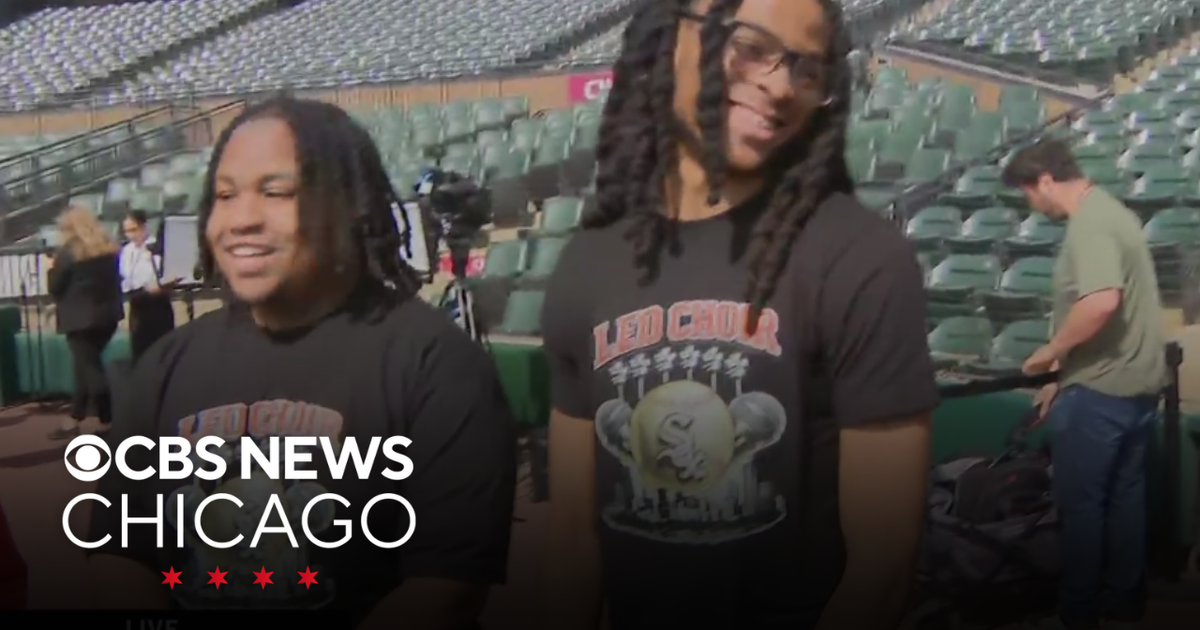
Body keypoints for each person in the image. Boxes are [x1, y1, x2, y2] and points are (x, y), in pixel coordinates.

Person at [541, 1, 939, 629]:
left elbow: (882, 565)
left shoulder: (861, 259)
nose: (780, 86)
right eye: (750, 46)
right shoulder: (586, 262)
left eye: (808, 69)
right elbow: (571, 538)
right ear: (667, 36)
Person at [85, 96, 517, 629]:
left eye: (276, 192)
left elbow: (445, 590)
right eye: (225, 195)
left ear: (343, 204)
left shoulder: (436, 364)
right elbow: (117, 555)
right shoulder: (166, 364)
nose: (241, 219)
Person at [1004, 138, 1167, 630]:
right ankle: (1124, 605)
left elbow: (1099, 303)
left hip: (1099, 394)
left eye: (1029, 194)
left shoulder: (1090, 225)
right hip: (1133, 389)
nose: (1031, 205)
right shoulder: (1112, 212)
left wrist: (1050, 353)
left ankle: (1078, 613)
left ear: (1046, 181)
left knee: (1082, 510)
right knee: (1124, 500)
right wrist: (1060, 379)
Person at [46, 206, 122, 441]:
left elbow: (55, 287)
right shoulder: (107, 247)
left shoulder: (69, 253)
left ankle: (109, 420)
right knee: (84, 369)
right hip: (107, 318)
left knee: (91, 371)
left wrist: (50, 270)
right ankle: (73, 419)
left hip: (79, 322)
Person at [119, 210, 177, 363]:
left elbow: (167, 274)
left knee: (161, 350)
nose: (130, 235)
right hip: (136, 302)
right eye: (127, 231)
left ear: (143, 227)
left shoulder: (157, 247)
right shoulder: (126, 251)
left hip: (157, 302)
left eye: (134, 230)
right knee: (139, 351)